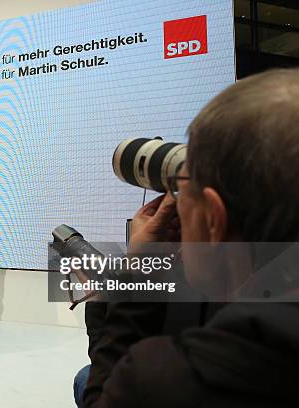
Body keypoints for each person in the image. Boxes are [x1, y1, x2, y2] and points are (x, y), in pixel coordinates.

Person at [83, 68, 299, 407]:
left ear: (213, 218)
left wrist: (137, 276)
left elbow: (106, 395)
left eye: (184, 190)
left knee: (86, 379)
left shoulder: (179, 380)